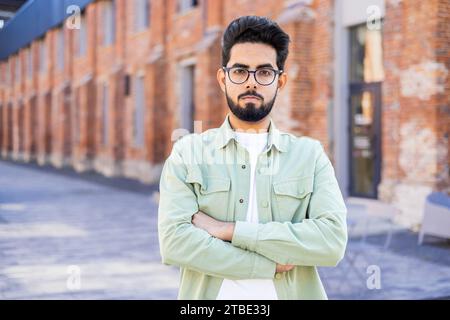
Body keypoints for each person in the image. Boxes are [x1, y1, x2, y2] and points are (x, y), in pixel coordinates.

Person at [158, 15, 347, 300]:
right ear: (223, 79)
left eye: (264, 72)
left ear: (280, 81)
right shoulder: (188, 154)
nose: (251, 83)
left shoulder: (310, 155)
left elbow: (331, 243)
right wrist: (265, 265)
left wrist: (228, 230)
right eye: (240, 71)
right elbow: (175, 243)